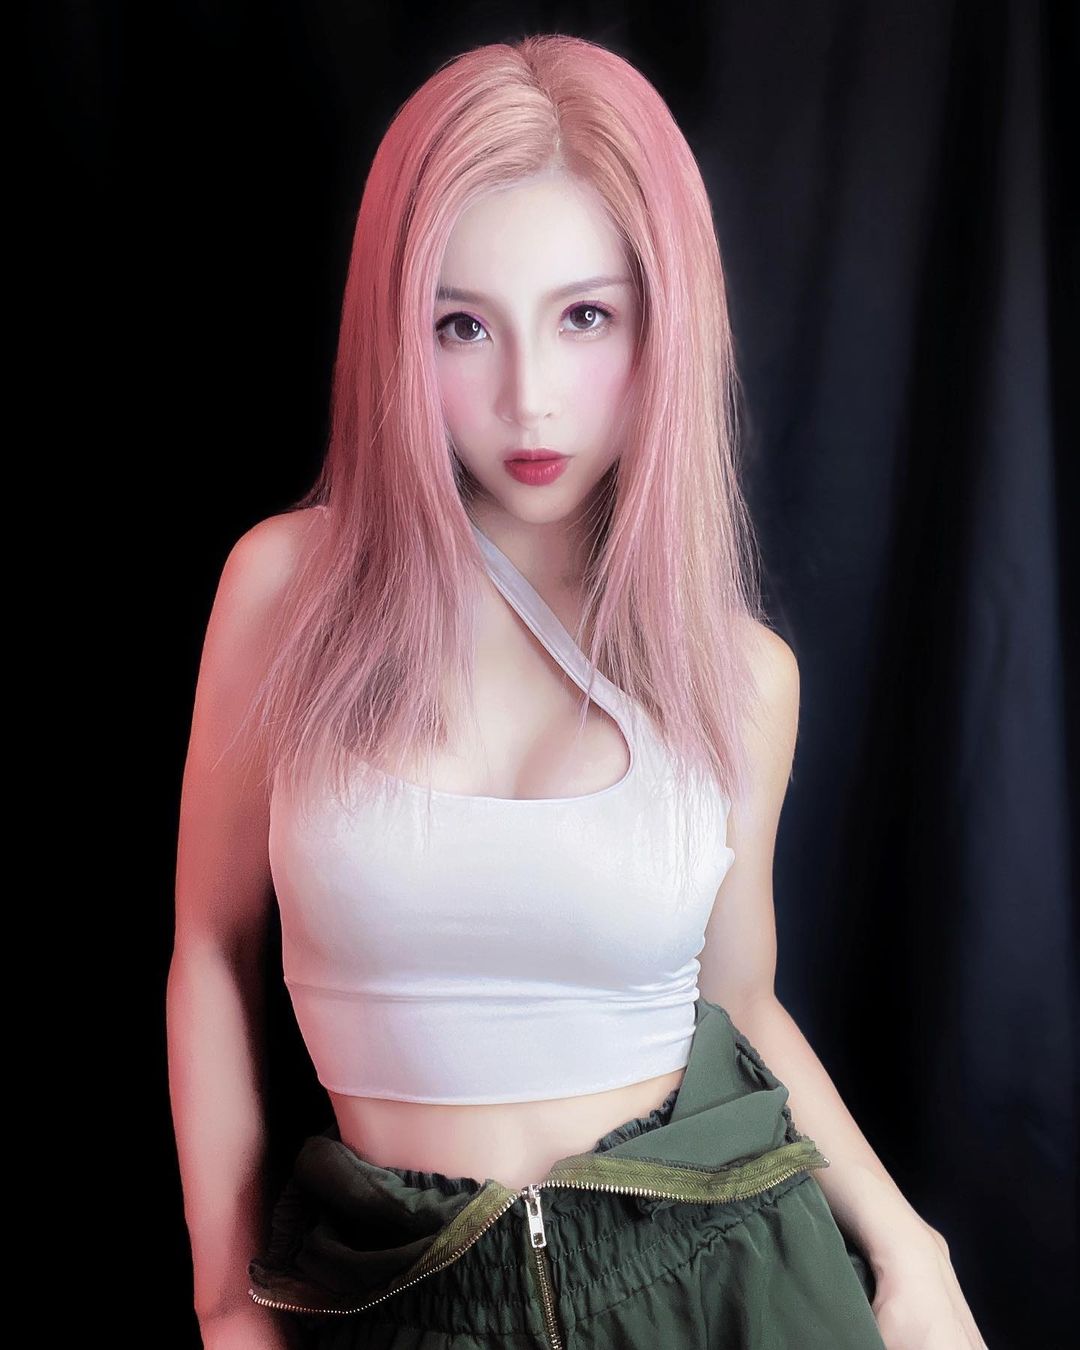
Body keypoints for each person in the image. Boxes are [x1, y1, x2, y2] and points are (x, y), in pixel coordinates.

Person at [169, 32, 987, 1350]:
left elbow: (739, 1004)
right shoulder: (285, 592)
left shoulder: (736, 675)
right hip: (407, 1292)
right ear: (395, 332)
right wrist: (224, 1296)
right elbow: (211, 949)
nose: (529, 399)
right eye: (462, 324)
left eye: (584, 317)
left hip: (721, 1277)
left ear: (664, 322)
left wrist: (908, 1246)